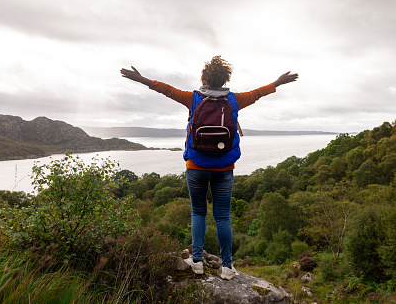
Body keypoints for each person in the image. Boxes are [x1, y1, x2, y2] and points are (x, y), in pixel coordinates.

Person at [120, 56, 298, 280]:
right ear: (225, 79)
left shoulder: (193, 98)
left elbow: (166, 89)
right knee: (222, 217)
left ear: (204, 78)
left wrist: (141, 79)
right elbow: (257, 93)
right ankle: (226, 267)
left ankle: (196, 262)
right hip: (224, 167)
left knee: (198, 212)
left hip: (196, 165)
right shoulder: (234, 100)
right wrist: (278, 82)